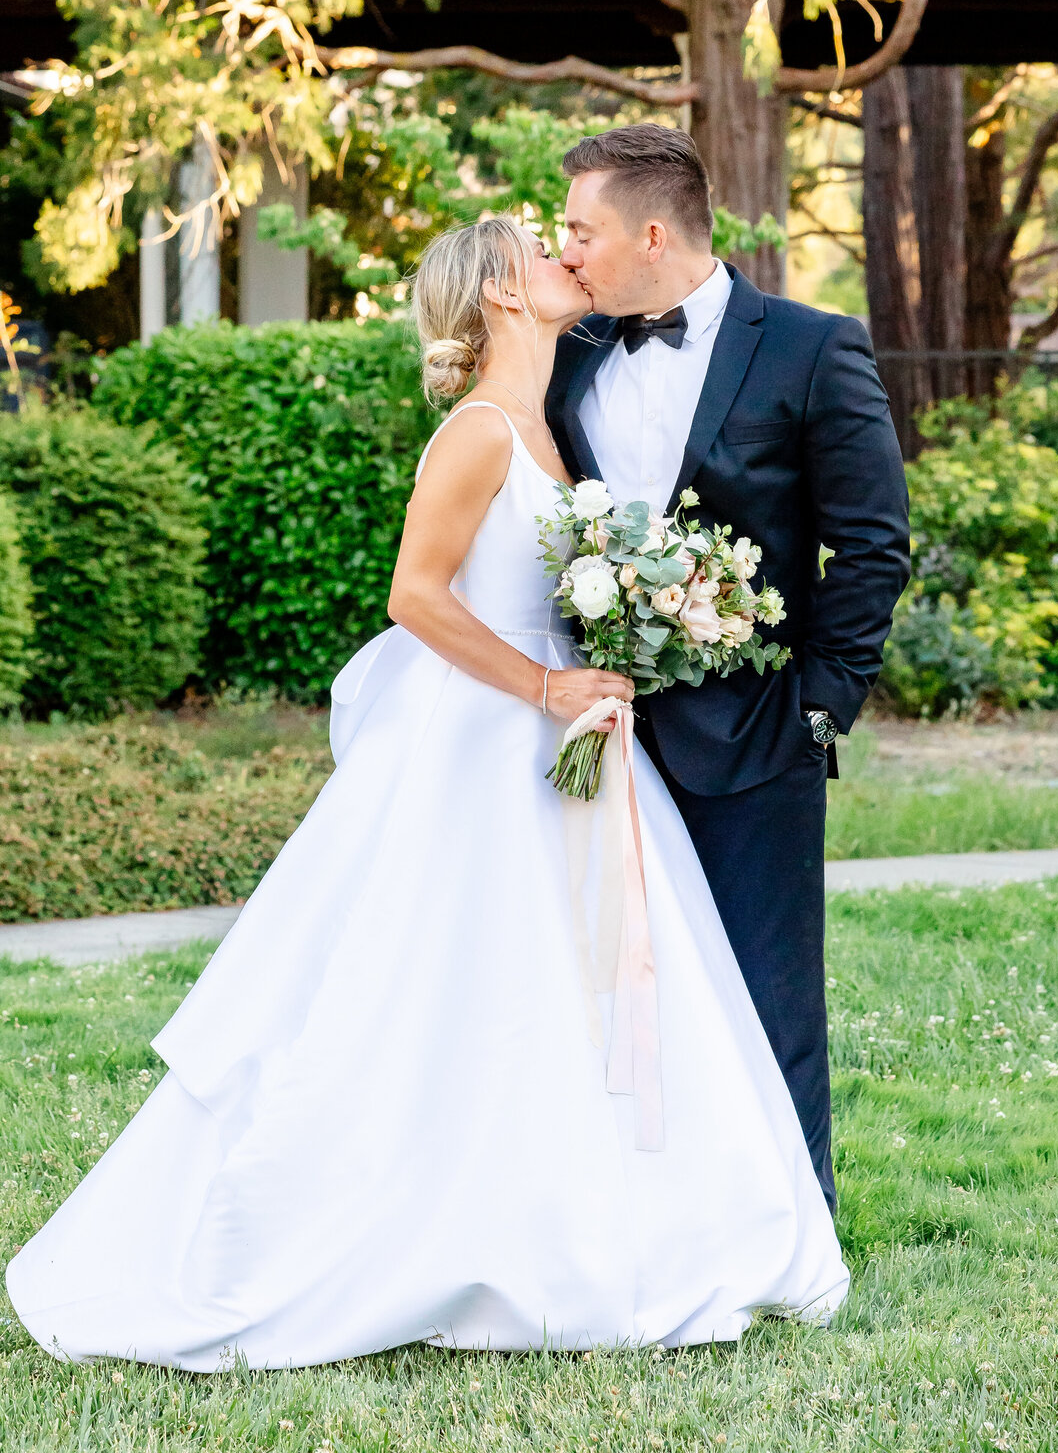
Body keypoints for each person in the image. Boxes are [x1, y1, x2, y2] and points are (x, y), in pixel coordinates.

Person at [6, 216, 849, 1370]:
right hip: (483, 744)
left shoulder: (555, 428)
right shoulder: (479, 433)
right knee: (446, 992)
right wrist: (548, 684)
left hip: (575, 751)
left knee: (571, 996)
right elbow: (416, 596)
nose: (568, 259)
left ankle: (584, 1225)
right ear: (503, 294)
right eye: (542, 252)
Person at [547, 126, 911, 1213]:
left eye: (581, 229)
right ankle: (645, 1218)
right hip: (595, 737)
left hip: (757, 735)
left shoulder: (810, 346)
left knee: (766, 994)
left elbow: (873, 541)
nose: (565, 252)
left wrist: (820, 708)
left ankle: (797, 1231)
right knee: (606, 991)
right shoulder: (567, 356)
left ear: (651, 233)